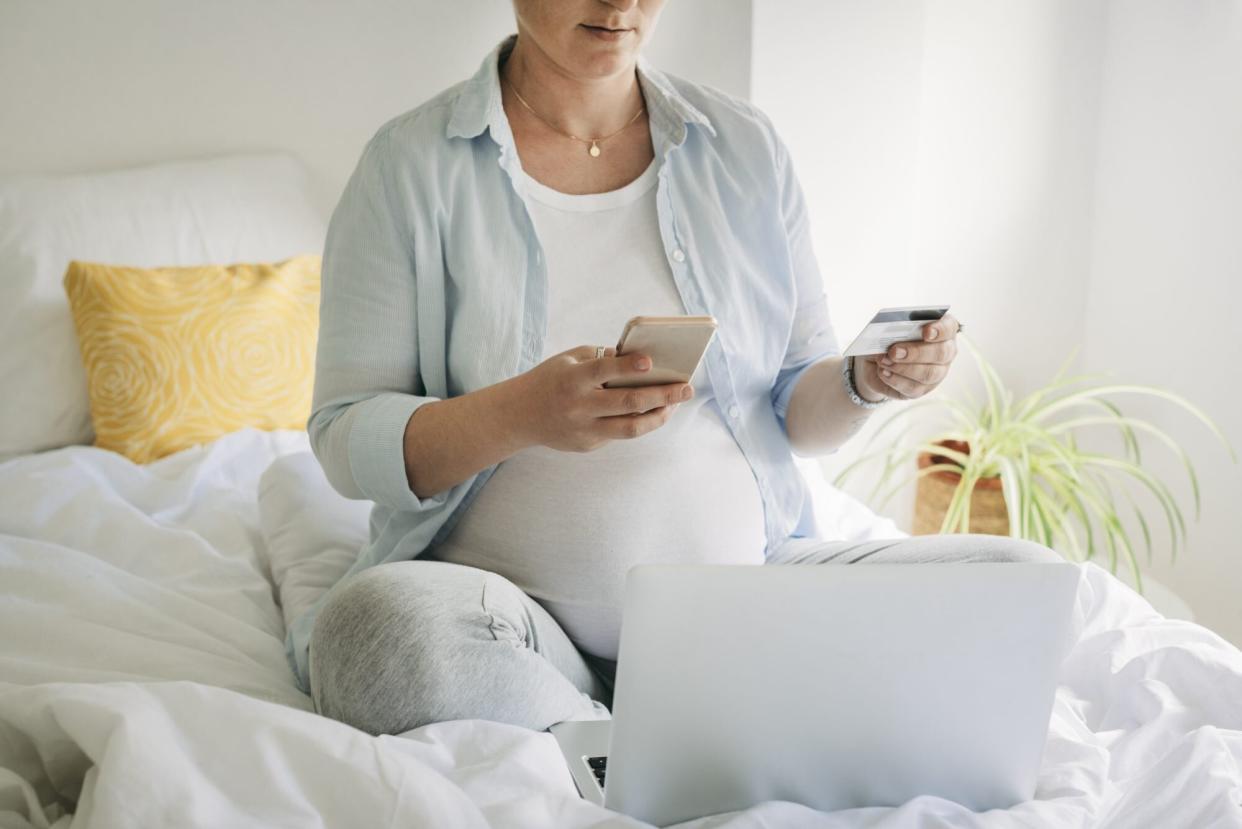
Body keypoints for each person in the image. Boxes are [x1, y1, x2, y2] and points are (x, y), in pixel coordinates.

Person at [287, 0, 1060, 736]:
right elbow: (344, 436)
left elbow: (797, 403)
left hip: (739, 600)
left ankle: (641, 733)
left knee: (1020, 579)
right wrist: (524, 412)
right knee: (374, 641)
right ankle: (666, 734)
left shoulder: (743, 149)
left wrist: (866, 381)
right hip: (511, 622)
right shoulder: (408, 167)